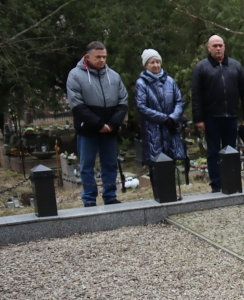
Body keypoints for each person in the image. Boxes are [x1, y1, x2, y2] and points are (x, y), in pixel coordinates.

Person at [67, 41, 128, 207]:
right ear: (88, 57)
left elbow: (123, 101)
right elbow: (77, 104)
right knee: (87, 165)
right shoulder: (75, 75)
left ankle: (110, 196)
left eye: (104, 57)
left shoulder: (114, 76)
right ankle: (89, 199)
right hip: (88, 129)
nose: (102, 60)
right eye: (98, 57)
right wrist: (98, 123)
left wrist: (113, 123)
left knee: (109, 164)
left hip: (110, 128)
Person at [191, 35, 244, 192]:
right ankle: (216, 184)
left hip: (231, 117)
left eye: (220, 45)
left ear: (224, 46)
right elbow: (196, 95)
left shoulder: (235, 66)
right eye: (215, 46)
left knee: (231, 151)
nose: (218, 48)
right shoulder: (201, 67)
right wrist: (198, 118)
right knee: (213, 152)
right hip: (211, 118)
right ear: (208, 48)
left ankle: (230, 181)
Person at [135, 49, 187, 166]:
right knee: (157, 165)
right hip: (152, 131)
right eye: (152, 62)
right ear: (146, 65)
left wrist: (173, 117)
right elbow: (141, 106)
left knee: (171, 163)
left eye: (158, 62)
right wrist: (164, 118)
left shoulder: (170, 81)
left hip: (171, 128)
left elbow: (179, 101)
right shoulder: (141, 83)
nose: (156, 65)